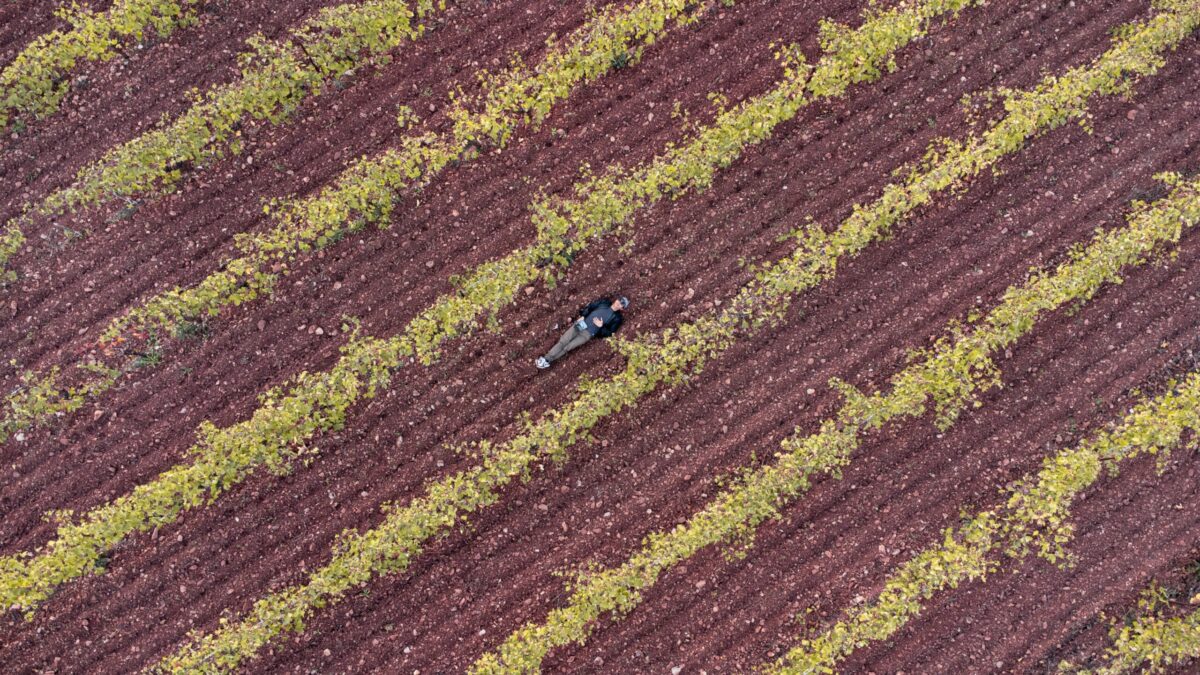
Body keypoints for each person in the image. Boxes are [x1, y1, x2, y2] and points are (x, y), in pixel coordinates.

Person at [536, 295, 629, 369]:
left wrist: (601, 327)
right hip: (582, 324)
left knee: (567, 347)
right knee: (563, 340)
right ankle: (546, 359)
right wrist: (583, 315)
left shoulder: (617, 318)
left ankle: (547, 361)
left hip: (587, 334)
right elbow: (591, 306)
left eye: (621, 304)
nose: (618, 303)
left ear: (622, 308)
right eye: (619, 300)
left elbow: (610, 333)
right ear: (616, 299)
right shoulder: (605, 302)